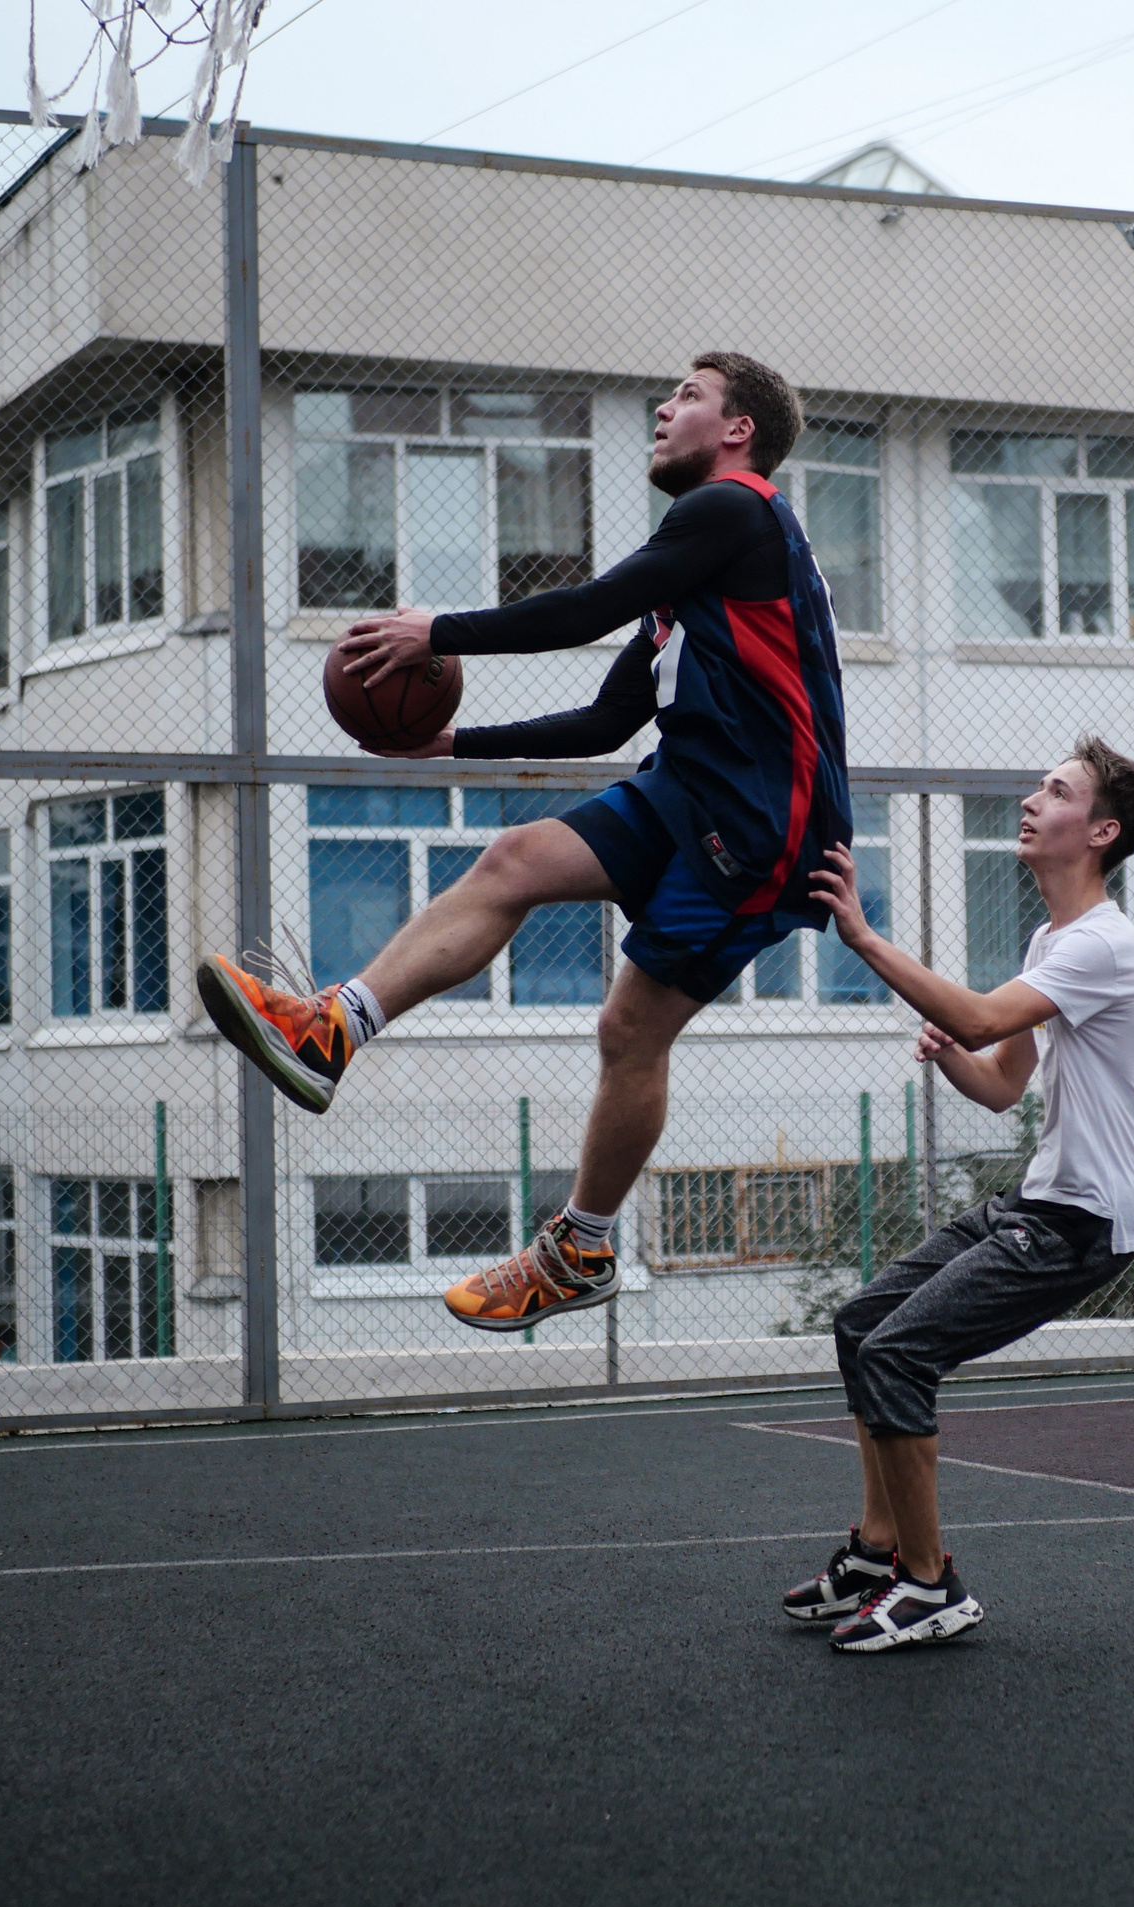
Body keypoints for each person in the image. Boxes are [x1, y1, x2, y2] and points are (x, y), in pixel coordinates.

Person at [196, 352, 852, 1333]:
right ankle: (331, 1030)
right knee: (511, 860)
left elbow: (586, 608)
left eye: (687, 397)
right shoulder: (699, 579)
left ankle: (579, 1248)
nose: (663, 410)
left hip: (764, 828)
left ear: (737, 430)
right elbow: (601, 723)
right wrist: (445, 742)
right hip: (688, 789)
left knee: (629, 1031)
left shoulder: (736, 511)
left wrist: (439, 632)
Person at [782, 739, 1134, 1652]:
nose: (1033, 800)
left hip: (1085, 1223)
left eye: (1057, 791)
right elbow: (1000, 1079)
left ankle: (930, 1583)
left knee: (902, 1356)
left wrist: (866, 938)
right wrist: (953, 1053)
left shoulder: (1106, 941)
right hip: (1041, 1204)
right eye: (1039, 785)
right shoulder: (1055, 941)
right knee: (861, 1328)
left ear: (1100, 832)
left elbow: (986, 1014)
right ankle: (878, 1555)